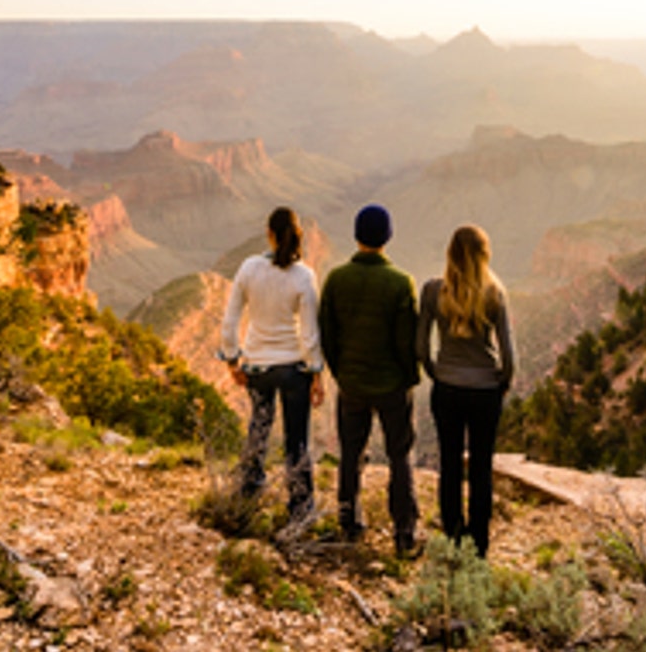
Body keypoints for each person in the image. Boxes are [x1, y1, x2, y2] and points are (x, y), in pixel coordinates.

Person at [319, 203, 420, 553]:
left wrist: (341, 372)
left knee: (350, 453)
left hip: (352, 385)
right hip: (393, 385)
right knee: (399, 455)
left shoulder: (336, 279)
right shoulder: (400, 283)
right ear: (387, 237)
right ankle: (404, 533)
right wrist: (409, 378)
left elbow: (326, 335)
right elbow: (408, 342)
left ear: (357, 236)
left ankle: (350, 525)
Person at [219, 206, 325, 520]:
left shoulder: (250, 268)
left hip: (258, 368)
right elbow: (309, 333)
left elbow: (230, 321)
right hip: (294, 369)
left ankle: (248, 493)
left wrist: (232, 360)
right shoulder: (304, 276)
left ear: (269, 234)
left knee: (259, 428)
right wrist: (317, 373)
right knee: (297, 440)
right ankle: (301, 506)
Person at [417, 224, 516, 558]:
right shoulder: (495, 293)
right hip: (486, 391)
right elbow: (509, 354)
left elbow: (420, 346)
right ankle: (479, 545)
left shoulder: (433, 291)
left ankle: (453, 537)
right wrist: (501, 383)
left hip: (447, 389)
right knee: (480, 468)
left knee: (449, 464)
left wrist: (436, 372)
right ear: (483, 256)